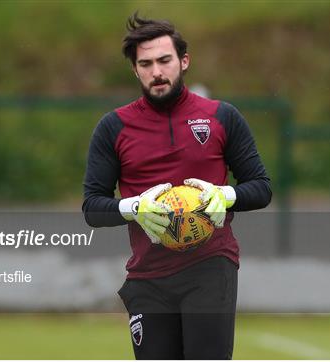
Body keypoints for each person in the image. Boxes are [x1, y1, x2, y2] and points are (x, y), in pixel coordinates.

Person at [82, 13, 271, 360]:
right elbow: (92, 207)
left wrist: (224, 195)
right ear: (134, 70)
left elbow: (261, 187)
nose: (157, 72)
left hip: (211, 267)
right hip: (147, 276)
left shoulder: (222, 116)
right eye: (146, 63)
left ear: (184, 61)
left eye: (165, 60)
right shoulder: (113, 127)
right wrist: (134, 207)